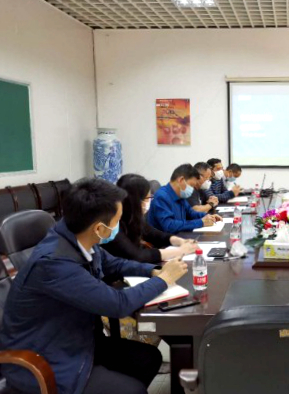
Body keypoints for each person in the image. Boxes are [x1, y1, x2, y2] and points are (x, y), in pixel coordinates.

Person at [0, 178, 188, 394]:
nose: (118, 226)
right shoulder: (54, 263)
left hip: (77, 339)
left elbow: (115, 264)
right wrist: (163, 280)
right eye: (117, 221)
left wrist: (153, 271)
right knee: (132, 389)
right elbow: (119, 304)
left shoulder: (77, 238)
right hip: (48, 358)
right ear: (99, 228)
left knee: (148, 358)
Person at [102, 174, 199, 264]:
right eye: (147, 198)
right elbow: (138, 256)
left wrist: (180, 241)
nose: (149, 202)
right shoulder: (113, 224)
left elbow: (154, 234)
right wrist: (180, 251)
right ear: (135, 201)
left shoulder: (132, 217)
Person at [147, 164, 221, 233]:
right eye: (191, 185)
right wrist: (201, 222)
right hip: (165, 241)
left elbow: (191, 213)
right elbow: (169, 226)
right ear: (181, 180)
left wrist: (207, 216)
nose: (192, 189)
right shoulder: (162, 196)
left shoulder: (180, 195)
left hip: (180, 236)